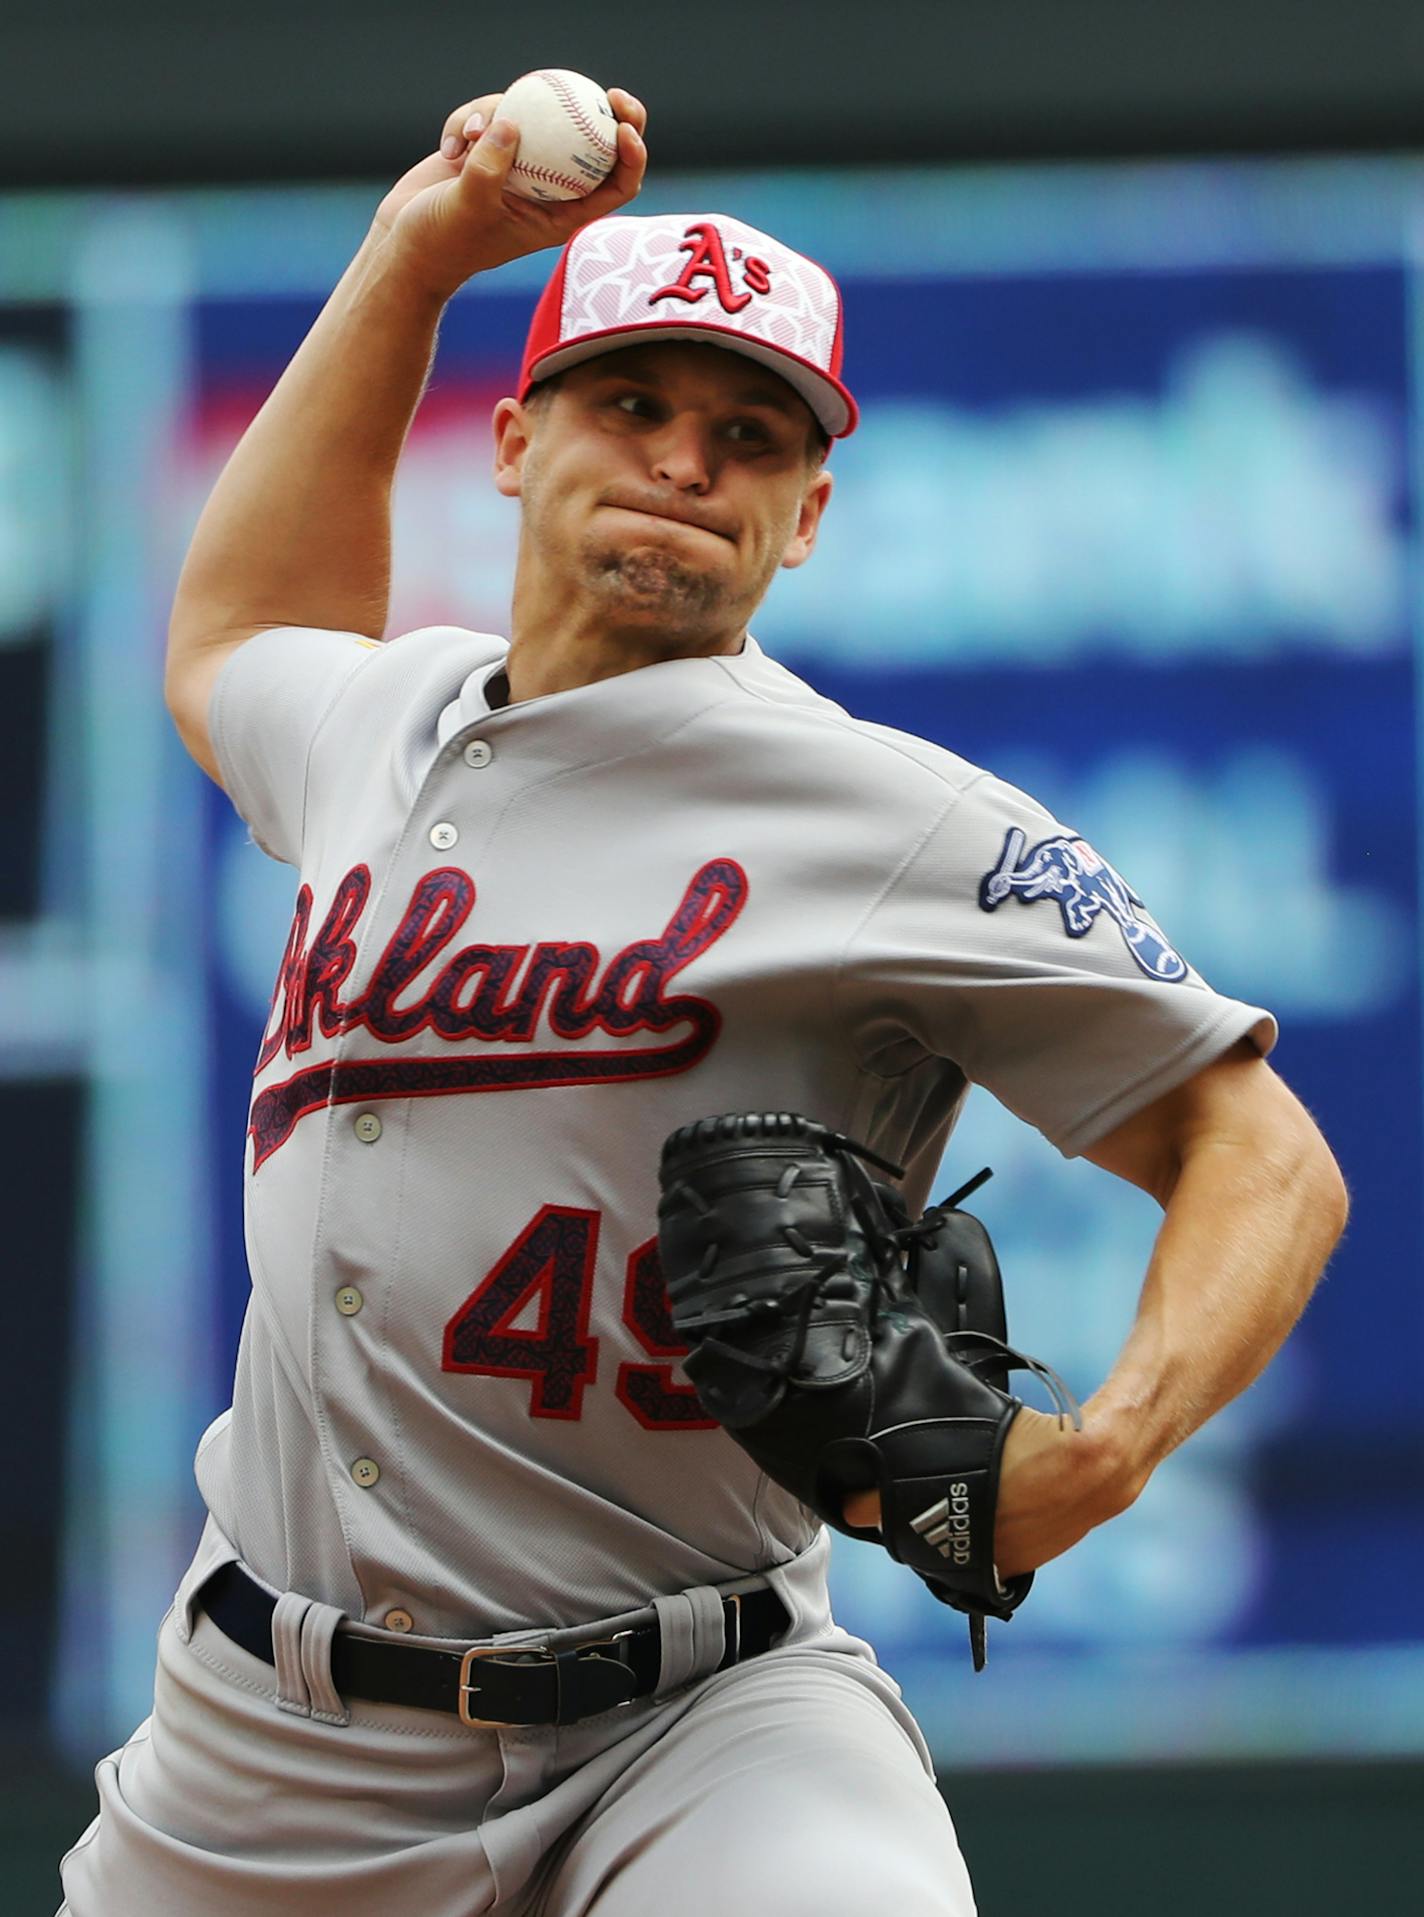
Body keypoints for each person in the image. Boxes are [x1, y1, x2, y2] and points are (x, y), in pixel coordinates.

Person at [59, 84, 1349, 1917]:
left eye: (749, 436)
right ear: (511, 441)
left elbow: (1264, 1152)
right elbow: (234, 636)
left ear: (807, 516)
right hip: (270, 1732)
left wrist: (1114, 1444)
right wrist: (415, 252)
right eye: (633, 404)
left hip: (702, 1713)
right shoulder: (386, 721)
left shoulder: (890, 818)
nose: (685, 460)